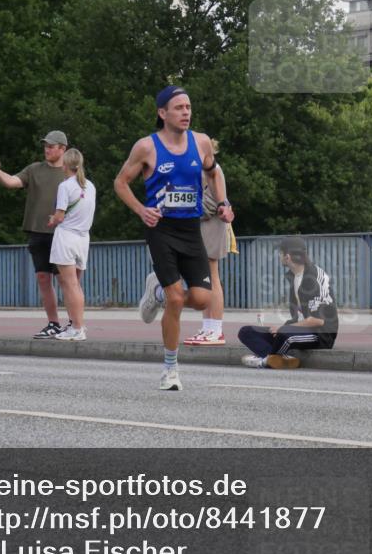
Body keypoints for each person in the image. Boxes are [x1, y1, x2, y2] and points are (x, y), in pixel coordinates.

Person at [114, 85, 234, 391]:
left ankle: (156, 293)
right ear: (162, 113)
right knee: (177, 299)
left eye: (188, 107)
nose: (186, 112)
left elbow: (214, 173)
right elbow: (121, 183)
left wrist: (223, 203)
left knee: (203, 298)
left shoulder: (201, 142)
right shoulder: (147, 147)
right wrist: (141, 210)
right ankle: (170, 370)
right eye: (179, 107)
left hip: (191, 229)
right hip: (161, 229)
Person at [0, 132, 68, 338]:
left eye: (51, 146)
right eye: (45, 146)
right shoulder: (34, 169)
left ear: (63, 149)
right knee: (43, 278)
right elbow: (12, 182)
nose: (47, 149)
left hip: (63, 234)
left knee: (66, 280)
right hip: (37, 231)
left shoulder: (70, 171)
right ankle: (53, 323)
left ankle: (75, 324)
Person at [238, 236, 338, 369]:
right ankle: (278, 359)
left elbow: (317, 321)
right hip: (298, 329)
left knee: (284, 335)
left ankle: (265, 360)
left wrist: (284, 328)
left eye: (280, 253)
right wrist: (283, 327)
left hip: (320, 335)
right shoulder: (294, 276)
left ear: (287, 257)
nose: (279, 256)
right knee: (246, 332)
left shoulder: (314, 278)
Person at [184, 138, 233, 346]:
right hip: (204, 228)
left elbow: (214, 203)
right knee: (204, 279)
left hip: (211, 227)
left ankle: (215, 329)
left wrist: (188, 209)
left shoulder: (214, 171)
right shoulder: (202, 170)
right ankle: (208, 327)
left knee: (212, 277)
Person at [48, 148, 96, 341]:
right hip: (83, 238)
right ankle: (78, 324)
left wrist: (52, 219)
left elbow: (59, 216)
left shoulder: (65, 186)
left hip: (66, 236)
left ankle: (76, 328)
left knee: (69, 285)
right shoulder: (90, 186)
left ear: (65, 165)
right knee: (75, 285)